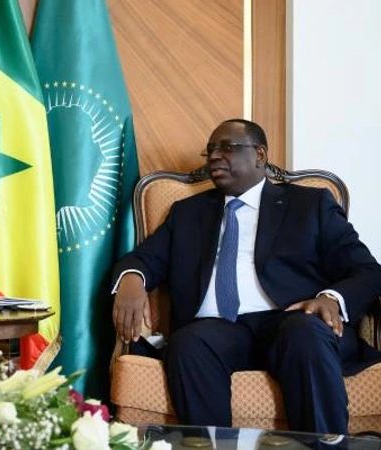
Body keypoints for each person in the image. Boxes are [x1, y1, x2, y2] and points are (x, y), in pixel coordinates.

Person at [111, 119, 381, 434]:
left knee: (306, 332)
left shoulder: (310, 204)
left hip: (290, 320)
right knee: (189, 343)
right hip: (216, 330)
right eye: (210, 150)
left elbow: (367, 270)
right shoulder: (187, 213)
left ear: (260, 155)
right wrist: (132, 278)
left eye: (227, 147)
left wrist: (330, 298)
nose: (213, 156)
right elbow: (144, 259)